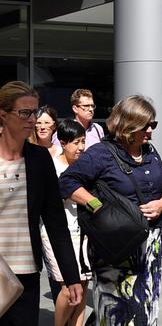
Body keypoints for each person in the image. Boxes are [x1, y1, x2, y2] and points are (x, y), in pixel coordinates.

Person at [59, 95, 162, 325]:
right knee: (115, 312)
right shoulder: (101, 153)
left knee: (146, 310)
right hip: (114, 247)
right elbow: (67, 182)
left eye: (154, 124)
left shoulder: (150, 152)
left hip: (149, 245)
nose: (151, 130)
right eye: (146, 125)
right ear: (128, 125)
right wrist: (97, 207)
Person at [0, 81, 82, 326]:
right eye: (24, 112)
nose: (32, 119)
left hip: (26, 275)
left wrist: (71, 276)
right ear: (3, 115)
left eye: (34, 112)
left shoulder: (39, 159)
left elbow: (55, 222)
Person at [41, 119, 90, 326]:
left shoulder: (87, 165)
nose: (81, 147)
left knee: (83, 285)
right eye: (76, 142)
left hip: (85, 232)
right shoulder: (51, 166)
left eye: (83, 141)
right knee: (67, 288)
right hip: (58, 234)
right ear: (62, 142)